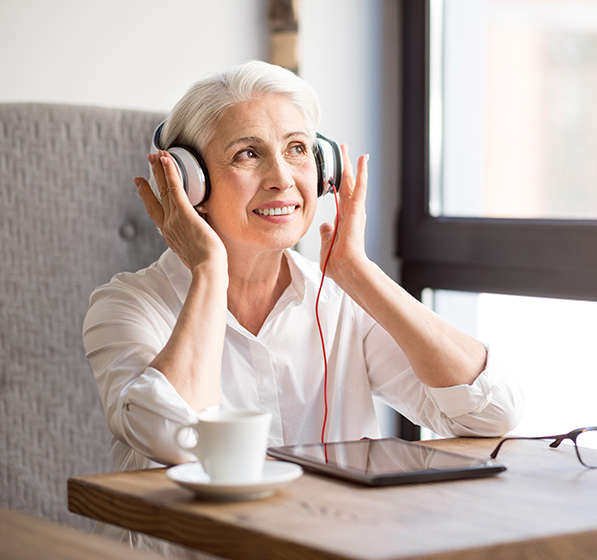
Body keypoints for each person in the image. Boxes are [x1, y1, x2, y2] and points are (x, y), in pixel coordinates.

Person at [83, 60, 522, 555]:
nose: (281, 178)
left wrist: (360, 275)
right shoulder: (126, 305)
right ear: (191, 184)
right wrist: (209, 271)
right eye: (248, 153)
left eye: (297, 149)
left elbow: (492, 414)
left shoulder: (339, 302)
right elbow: (172, 436)